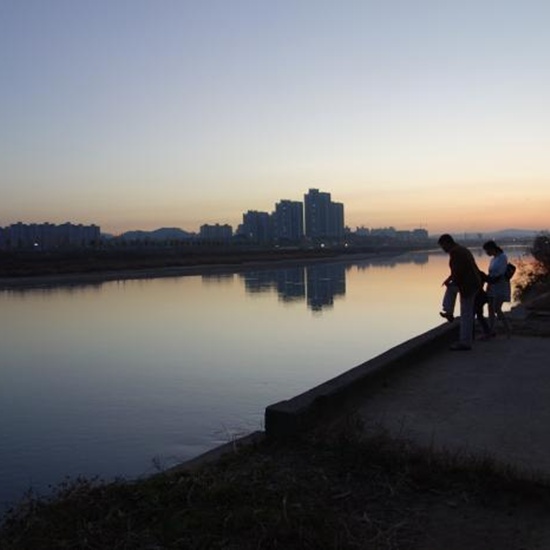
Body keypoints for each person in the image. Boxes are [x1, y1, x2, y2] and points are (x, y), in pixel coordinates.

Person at [438, 234, 482, 350]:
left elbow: (458, 271)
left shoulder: (455, 252)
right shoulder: (462, 249)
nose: (443, 250)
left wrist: (453, 281)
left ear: (447, 243)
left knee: (466, 314)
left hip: (468, 286)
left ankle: (465, 343)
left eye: (443, 246)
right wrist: (450, 279)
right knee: (466, 312)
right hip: (473, 283)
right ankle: (448, 311)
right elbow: (459, 270)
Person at [482, 240, 512, 338]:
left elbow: (500, 273)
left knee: (496, 308)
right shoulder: (493, 259)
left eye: (487, 250)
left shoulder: (502, 257)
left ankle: (508, 328)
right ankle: (492, 330)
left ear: (492, 248)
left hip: (500, 285)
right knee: (490, 308)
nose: (486, 253)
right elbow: (491, 273)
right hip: (492, 285)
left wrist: (491, 280)